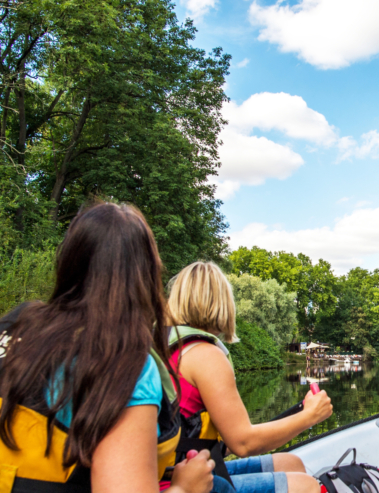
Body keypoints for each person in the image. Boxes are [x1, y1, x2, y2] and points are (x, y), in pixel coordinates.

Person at [0, 202, 219, 493]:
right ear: (147, 276)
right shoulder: (125, 363)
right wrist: (184, 488)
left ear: (69, 262)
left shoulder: (14, 327)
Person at [166, 261, 333, 493]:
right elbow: (244, 443)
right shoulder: (205, 354)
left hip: (187, 464)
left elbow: (229, 437)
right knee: (307, 487)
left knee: (291, 462)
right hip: (176, 481)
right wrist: (310, 417)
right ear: (223, 304)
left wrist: (301, 414)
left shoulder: (171, 345)